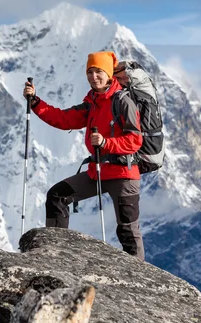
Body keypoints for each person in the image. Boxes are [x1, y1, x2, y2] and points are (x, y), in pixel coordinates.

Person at [23, 51, 145, 260]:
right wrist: (35, 102)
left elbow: (135, 140)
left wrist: (107, 142)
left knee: (127, 230)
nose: (93, 76)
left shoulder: (123, 102)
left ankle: (141, 282)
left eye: (98, 71)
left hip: (123, 174)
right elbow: (64, 119)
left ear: (109, 74)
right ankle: (54, 254)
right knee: (57, 196)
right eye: (90, 72)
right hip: (98, 171)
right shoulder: (92, 102)